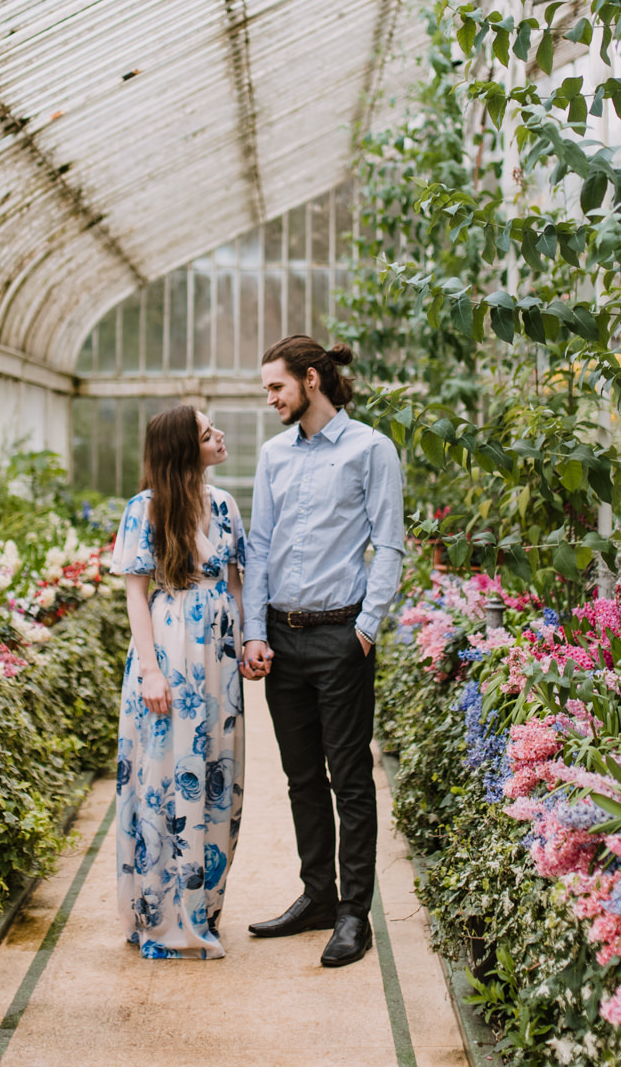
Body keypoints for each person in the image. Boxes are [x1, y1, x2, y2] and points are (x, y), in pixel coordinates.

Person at [241, 335, 405, 968]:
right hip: (282, 637)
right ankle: (316, 896)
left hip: (341, 638)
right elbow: (260, 547)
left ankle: (352, 915)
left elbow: (388, 544)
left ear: (312, 380)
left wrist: (365, 628)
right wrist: (255, 631)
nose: (271, 399)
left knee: (350, 780)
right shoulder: (274, 454)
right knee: (302, 778)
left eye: (276, 387)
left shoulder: (371, 449)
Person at [111, 406, 247, 959]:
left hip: (218, 659)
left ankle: (206, 907)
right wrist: (149, 671)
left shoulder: (224, 505)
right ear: (183, 448)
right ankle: (162, 913)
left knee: (219, 774)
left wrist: (243, 648)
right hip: (166, 652)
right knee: (162, 777)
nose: (219, 436)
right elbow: (135, 595)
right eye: (206, 432)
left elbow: (236, 585)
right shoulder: (144, 509)